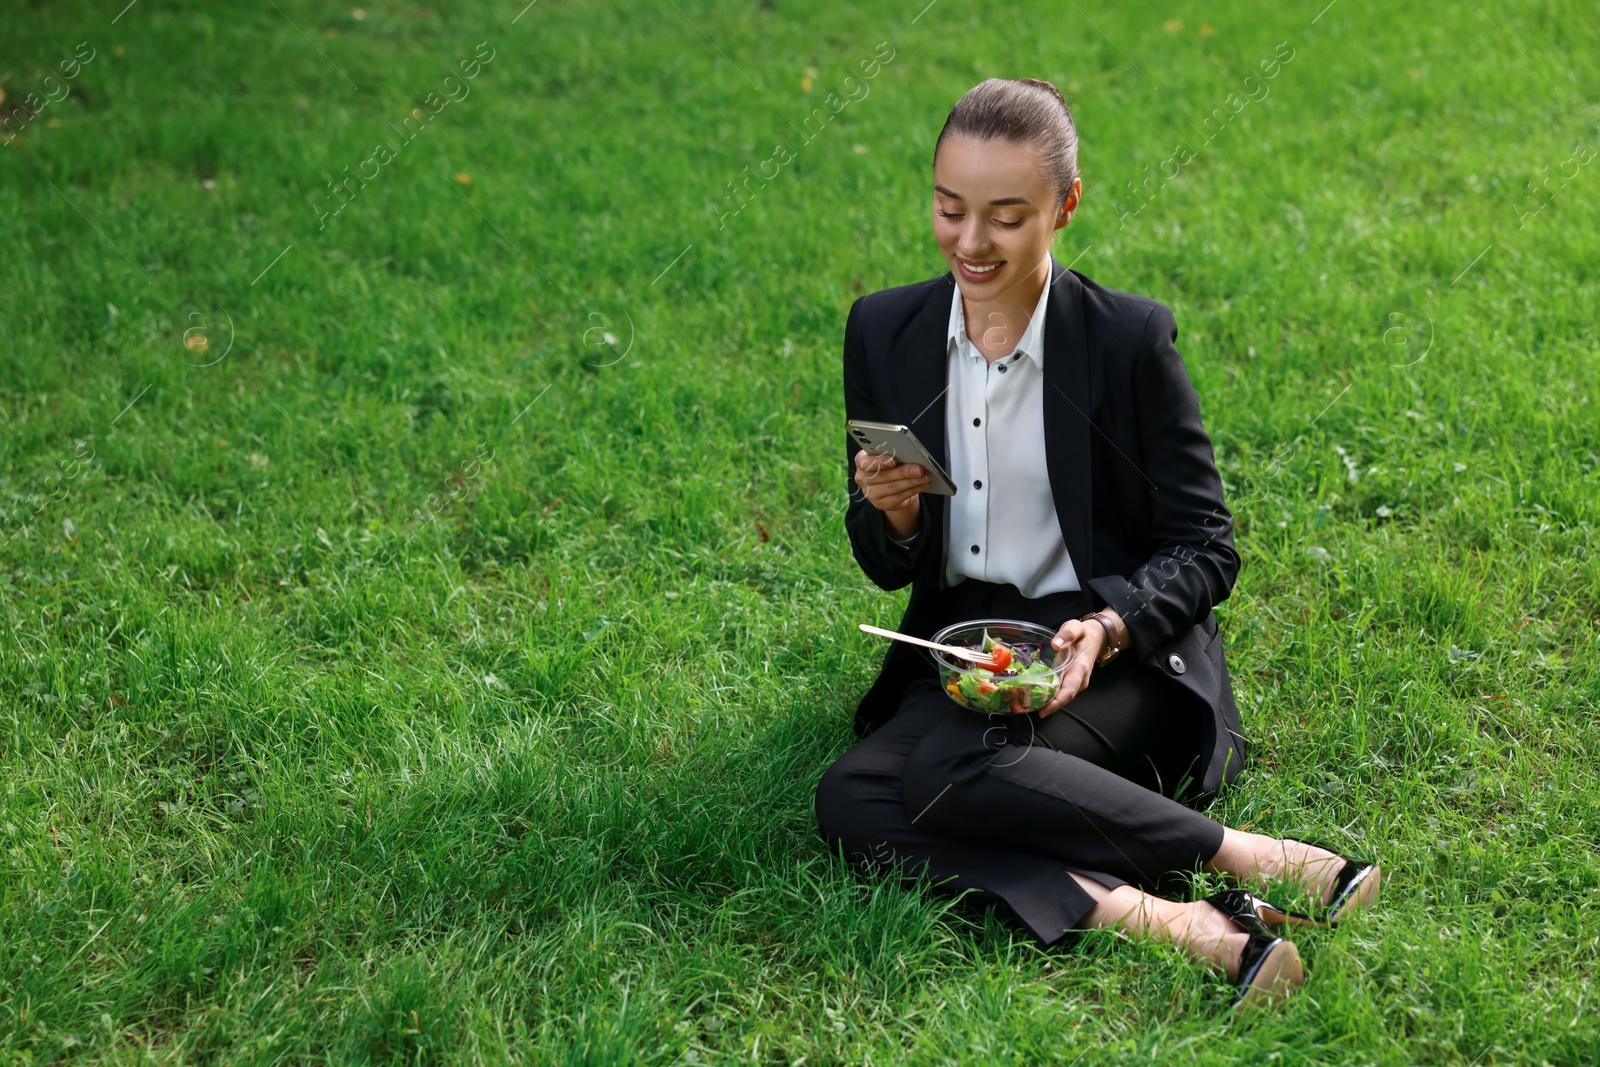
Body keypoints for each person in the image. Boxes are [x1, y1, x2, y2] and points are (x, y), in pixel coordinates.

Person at [813, 77, 1380, 1012]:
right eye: (949, 209)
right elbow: (884, 560)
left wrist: (1110, 627)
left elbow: (1206, 544)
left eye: (1005, 216)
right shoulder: (885, 329)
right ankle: (1188, 924)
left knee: (952, 769)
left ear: (1065, 206)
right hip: (972, 651)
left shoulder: (1127, 339)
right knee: (850, 799)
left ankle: (1256, 856)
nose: (970, 242)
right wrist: (896, 514)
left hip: (1116, 655)